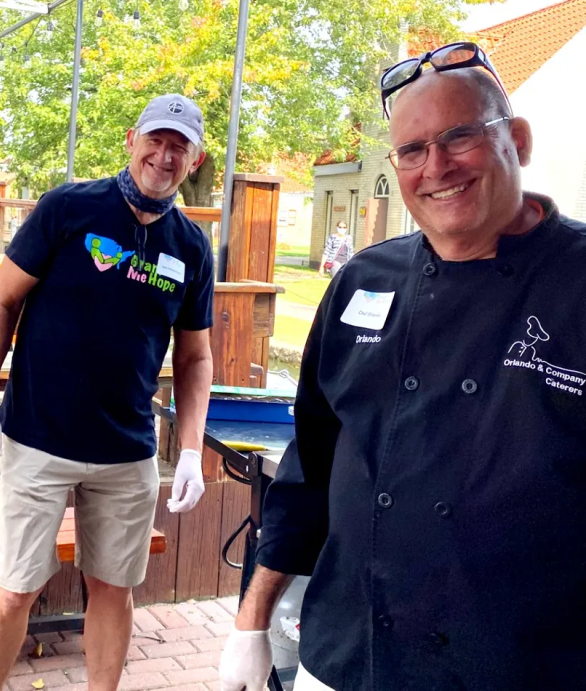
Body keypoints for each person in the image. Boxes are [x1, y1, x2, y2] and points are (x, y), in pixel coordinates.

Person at [220, 41, 586, 691]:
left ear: (518, 140)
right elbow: (309, 472)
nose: (436, 165)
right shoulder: (364, 280)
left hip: (521, 669)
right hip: (346, 657)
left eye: (460, 136)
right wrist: (252, 624)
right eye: (412, 150)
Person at [0, 94, 215, 691]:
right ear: (132, 139)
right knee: (16, 584)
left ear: (195, 160)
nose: (164, 154)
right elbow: (2, 300)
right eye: (156, 139)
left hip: (127, 451)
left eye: (179, 146)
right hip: (37, 437)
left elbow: (196, 354)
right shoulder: (69, 208)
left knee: (114, 588)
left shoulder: (191, 247)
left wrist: (194, 450)